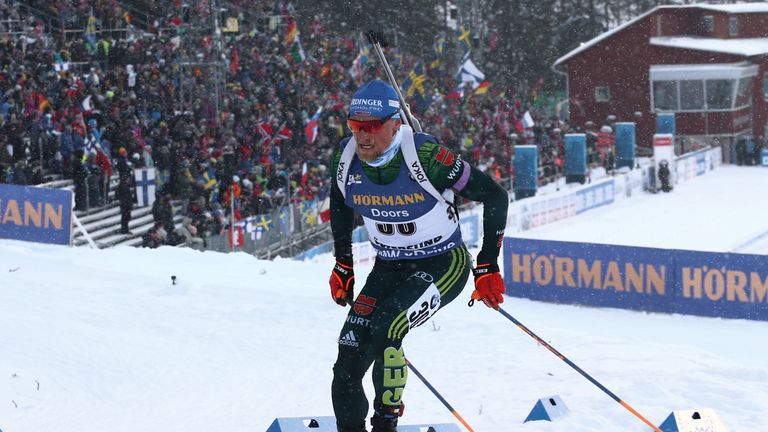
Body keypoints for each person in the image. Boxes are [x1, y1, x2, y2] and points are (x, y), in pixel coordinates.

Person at [328, 80, 509, 432]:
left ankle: (385, 424)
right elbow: (339, 202)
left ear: (395, 122)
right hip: (389, 265)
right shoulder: (345, 158)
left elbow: (495, 195)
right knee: (347, 358)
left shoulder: (426, 157)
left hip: (443, 262)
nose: (362, 137)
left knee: (387, 327)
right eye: (354, 126)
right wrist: (343, 263)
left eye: (372, 127)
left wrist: (487, 265)